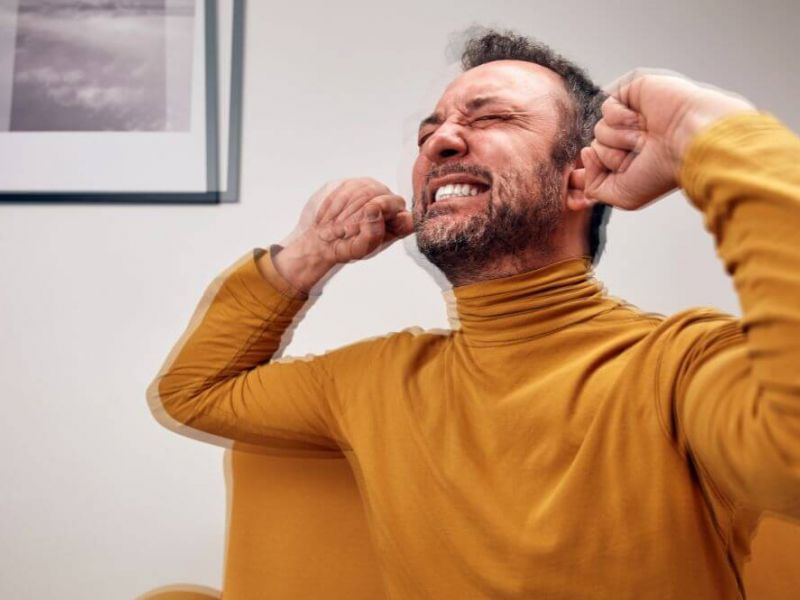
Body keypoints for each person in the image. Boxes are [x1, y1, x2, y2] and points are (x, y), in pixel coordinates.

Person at [147, 28, 800, 598]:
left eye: (491, 119)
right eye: (429, 132)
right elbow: (192, 393)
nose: (440, 141)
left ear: (581, 176)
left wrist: (709, 136)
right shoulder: (379, 379)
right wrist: (308, 255)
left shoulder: (679, 366)